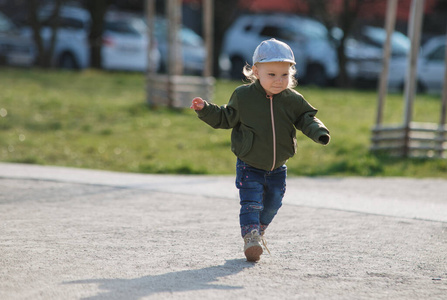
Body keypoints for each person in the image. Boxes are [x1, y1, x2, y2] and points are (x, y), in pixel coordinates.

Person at [190, 38, 330, 262]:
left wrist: (319, 132)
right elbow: (226, 117)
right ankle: (251, 237)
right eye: (271, 74)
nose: (278, 80)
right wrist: (205, 110)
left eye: (284, 75)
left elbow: (307, 119)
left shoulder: (293, 100)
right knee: (251, 202)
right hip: (249, 163)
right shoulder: (243, 96)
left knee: (274, 202)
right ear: (256, 71)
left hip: (278, 166)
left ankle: (259, 229)